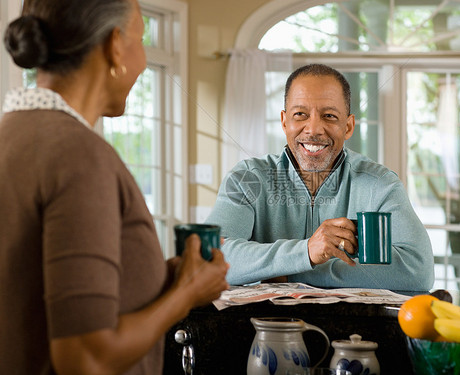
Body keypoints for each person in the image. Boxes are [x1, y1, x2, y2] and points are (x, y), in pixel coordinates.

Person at [0, 1, 229, 374]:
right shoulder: (78, 155)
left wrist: (164, 278)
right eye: (141, 37)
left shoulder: (13, 135)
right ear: (115, 45)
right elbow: (85, 358)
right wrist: (185, 295)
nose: (142, 60)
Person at [206, 63, 433, 291]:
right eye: (300, 114)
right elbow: (211, 260)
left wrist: (296, 272)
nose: (313, 129)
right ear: (285, 122)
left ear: (348, 126)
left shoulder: (381, 184)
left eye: (329, 116)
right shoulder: (246, 179)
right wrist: (305, 251)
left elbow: (417, 270)